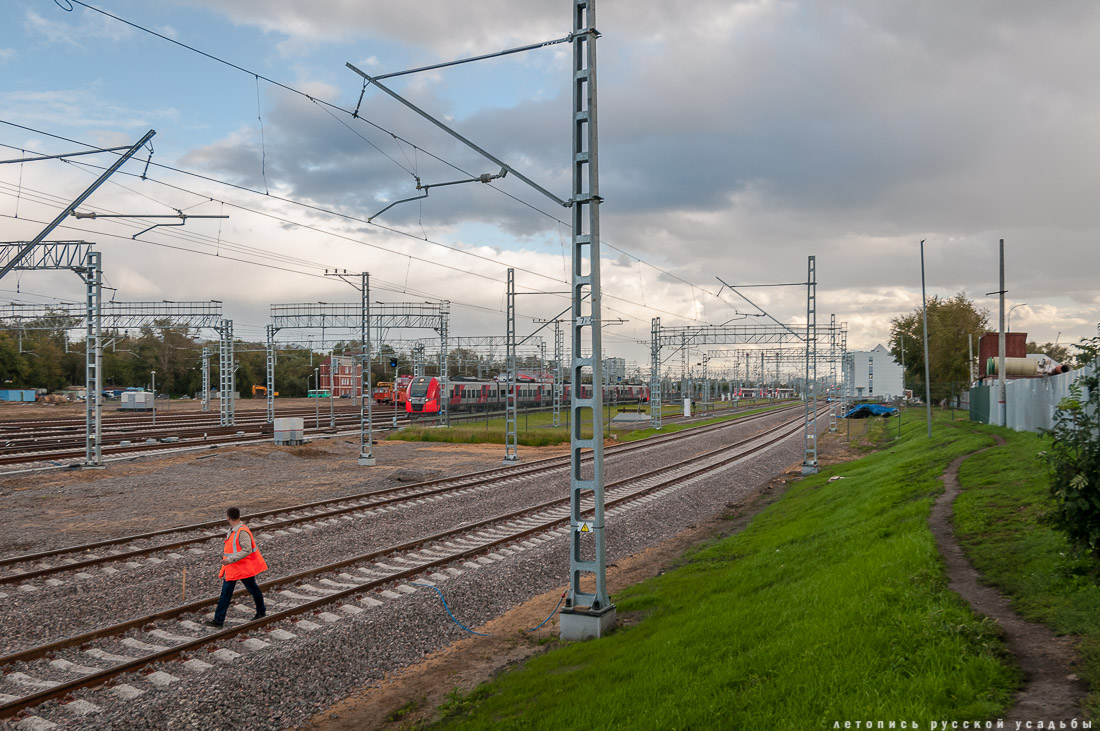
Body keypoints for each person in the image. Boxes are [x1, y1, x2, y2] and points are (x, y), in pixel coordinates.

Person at [207, 507, 267, 627]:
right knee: (229, 592)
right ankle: (218, 620)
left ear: (228, 517)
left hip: (241, 568)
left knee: (248, 590)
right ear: (238, 516)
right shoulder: (234, 530)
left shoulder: (241, 531)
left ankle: (260, 612)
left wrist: (229, 559)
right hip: (235, 568)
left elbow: (247, 550)